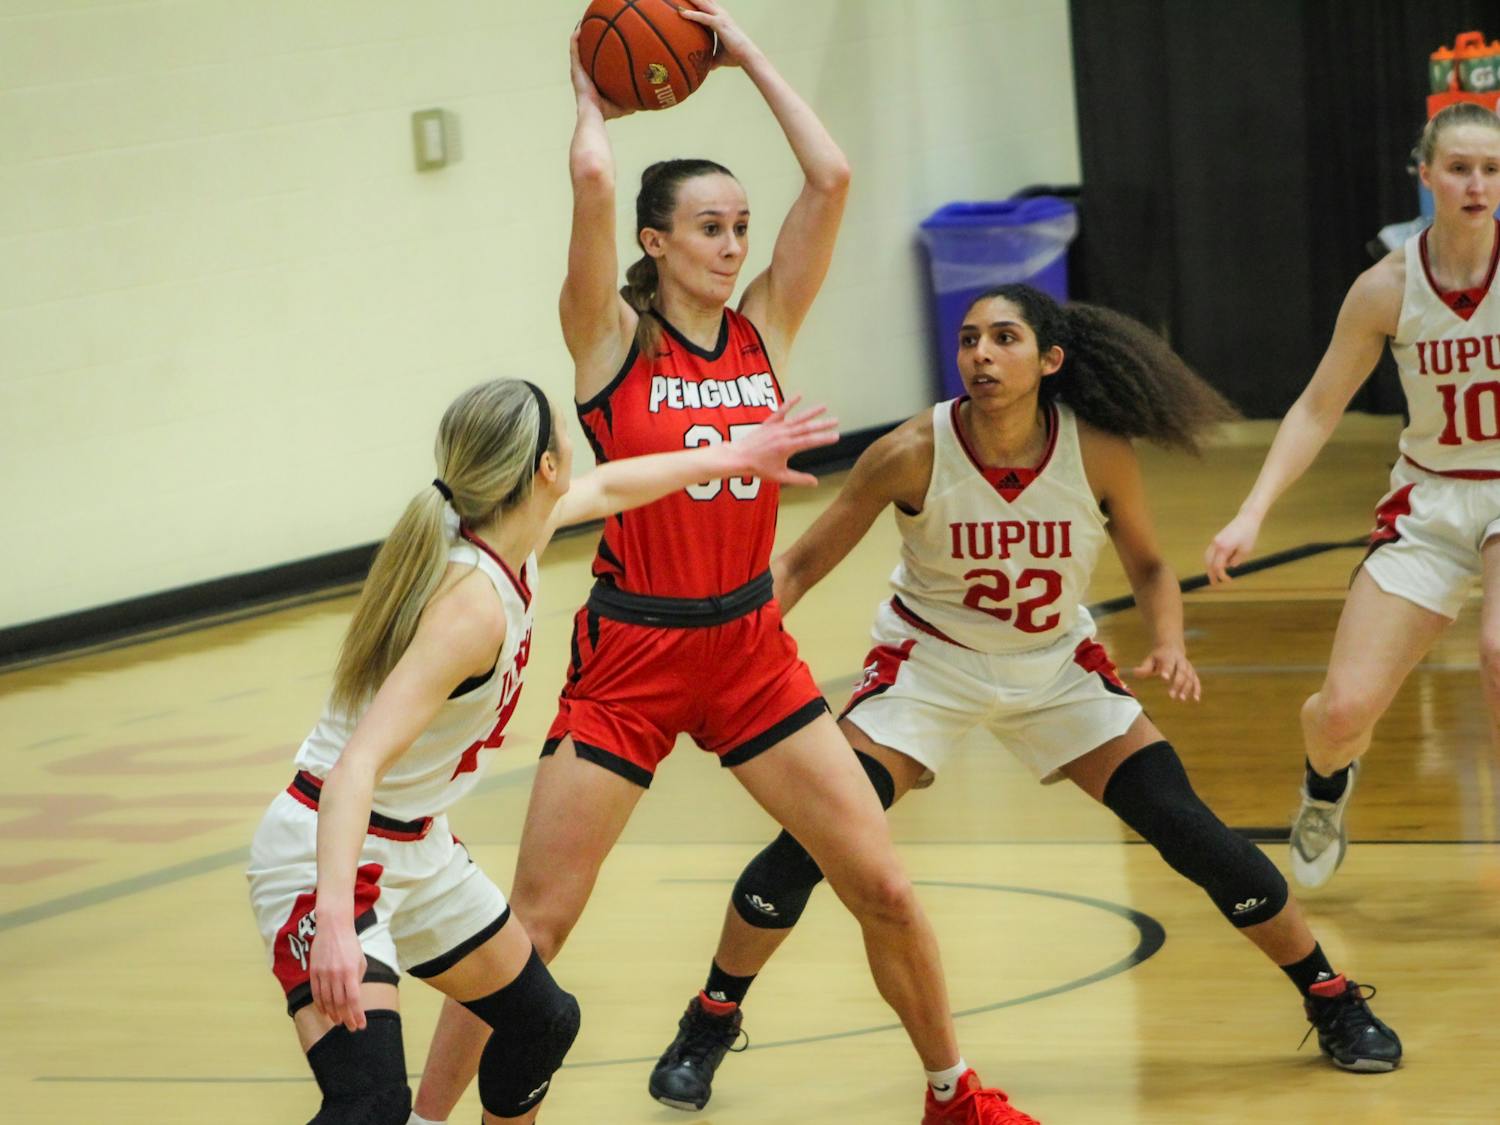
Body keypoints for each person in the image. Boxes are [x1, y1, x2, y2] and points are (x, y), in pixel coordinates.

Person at [409, 4, 1039, 1124]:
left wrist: (743, 53)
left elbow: (832, 178)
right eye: (709, 226)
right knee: (533, 929)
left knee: (882, 883)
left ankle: (954, 1095)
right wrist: (588, 104)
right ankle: (424, 1118)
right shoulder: (609, 342)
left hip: (750, 648)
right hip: (633, 654)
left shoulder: (766, 329)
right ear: (657, 244)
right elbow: (594, 191)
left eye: (742, 225)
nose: (735, 244)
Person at [645, 283, 1406, 1115]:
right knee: (808, 847)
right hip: (928, 667)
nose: (980, 354)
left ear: (1049, 360)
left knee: (1189, 829)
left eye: (1003, 338)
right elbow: (793, 567)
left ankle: (1332, 997)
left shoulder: (1098, 451)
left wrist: (1169, 638)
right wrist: (724, 650)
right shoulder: (911, 451)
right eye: (969, 339)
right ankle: (709, 1020)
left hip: (1055, 668)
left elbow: (1151, 565)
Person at [247, 376, 836, 1125]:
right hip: (324, 852)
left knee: (540, 1019)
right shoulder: (470, 608)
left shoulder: (512, 533)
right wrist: (334, 919)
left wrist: (736, 453)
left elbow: (619, 483)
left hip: (413, 845)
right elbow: (354, 766)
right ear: (544, 469)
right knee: (368, 1105)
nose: (575, 450)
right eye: (565, 434)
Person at [1205, 102, 1500, 889]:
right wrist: (1251, 511)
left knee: (1499, 650)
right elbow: (1315, 407)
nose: (1477, 184)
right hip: (1429, 500)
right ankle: (1325, 786)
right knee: (1341, 714)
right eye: (1460, 168)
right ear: (1427, 175)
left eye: (1491, 169)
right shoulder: (1386, 287)